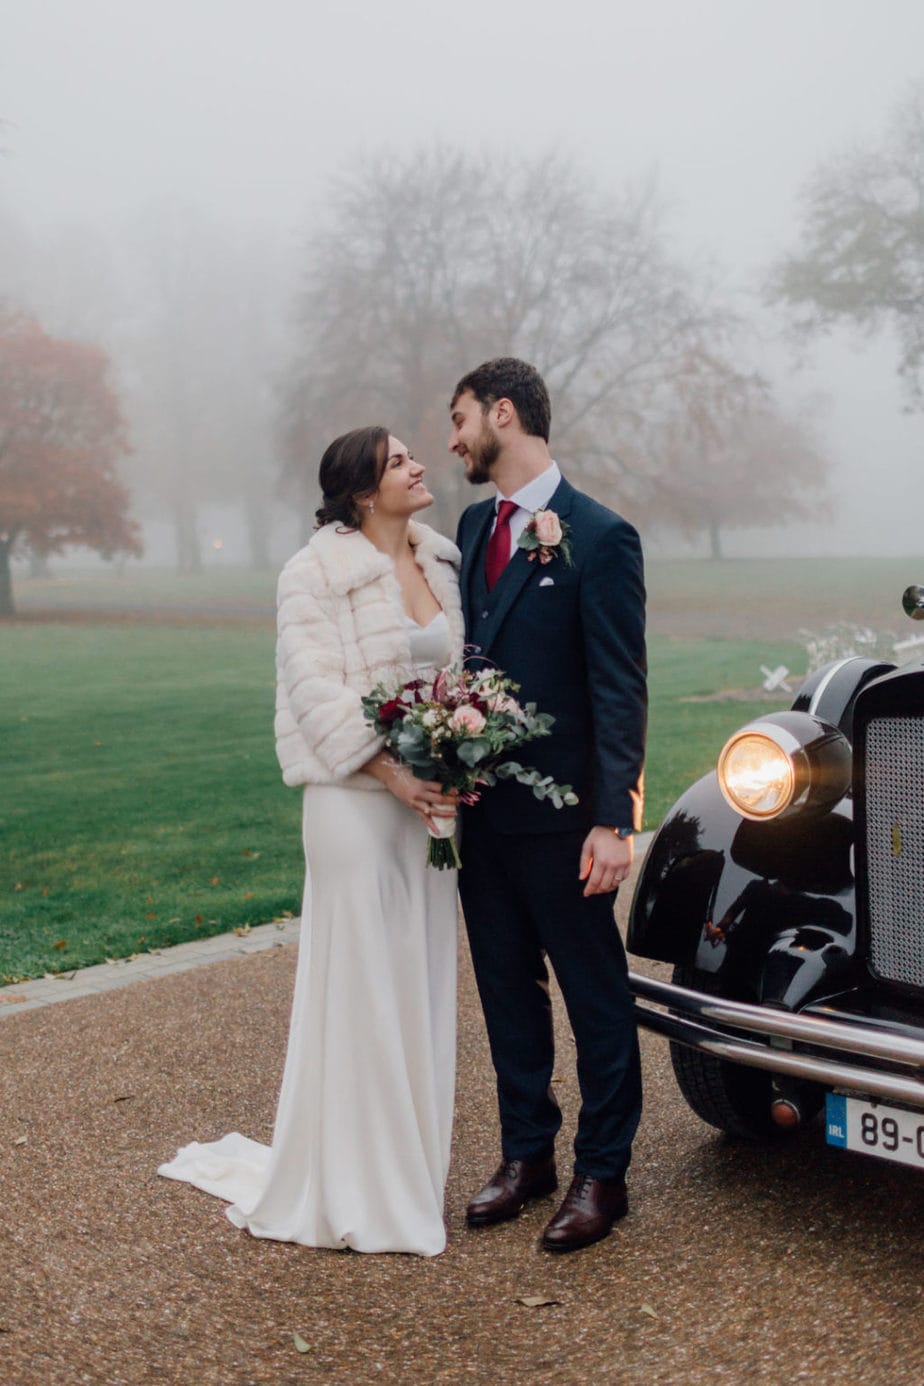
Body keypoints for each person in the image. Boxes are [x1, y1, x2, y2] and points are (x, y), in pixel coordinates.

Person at [159, 426, 464, 1257]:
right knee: (363, 978)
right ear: (364, 491)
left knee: (422, 971)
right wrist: (391, 774)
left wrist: (462, 748)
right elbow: (315, 688)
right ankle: (357, 1181)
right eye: (400, 460)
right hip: (354, 802)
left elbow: (459, 679)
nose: (418, 465)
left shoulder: (441, 561)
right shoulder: (313, 572)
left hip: (431, 808)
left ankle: (411, 1159)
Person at [449, 358, 646, 1254]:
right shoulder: (468, 524)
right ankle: (527, 1154)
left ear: (503, 413)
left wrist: (615, 820)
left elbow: (619, 687)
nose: (453, 441)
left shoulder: (602, 538)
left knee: (594, 997)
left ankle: (603, 1173)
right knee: (505, 993)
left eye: (459, 420)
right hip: (483, 819)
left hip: (569, 824)